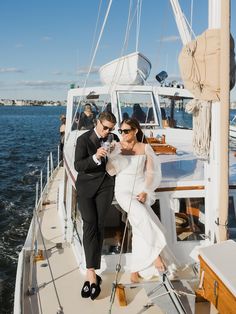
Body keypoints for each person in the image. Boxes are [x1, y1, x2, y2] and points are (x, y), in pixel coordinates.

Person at [106, 118, 167, 283]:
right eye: (121, 131)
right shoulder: (117, 147)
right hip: (123, 190)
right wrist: (112, 155)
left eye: (126, 131)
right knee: (141, 216)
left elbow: (151, 173)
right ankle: (156, 256)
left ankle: (136, 268)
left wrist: (146, 191)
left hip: (140, 189)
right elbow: (111, 171)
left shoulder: (145, 148)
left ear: (135, 131)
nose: (123, 134)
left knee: (138, 226)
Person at [74, 111, 119, 300]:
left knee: (99, 224)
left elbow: (122, 154)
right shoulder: (84, 139)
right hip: (86, 186)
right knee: (89, 224)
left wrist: (116, 151)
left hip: (105, 185)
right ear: (97, 122)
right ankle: (90, 271)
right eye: (105, 127)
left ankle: (91, 273)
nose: (107, 131)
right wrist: (95, 157)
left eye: (111, 128)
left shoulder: (113, 138)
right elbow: (78, 165)